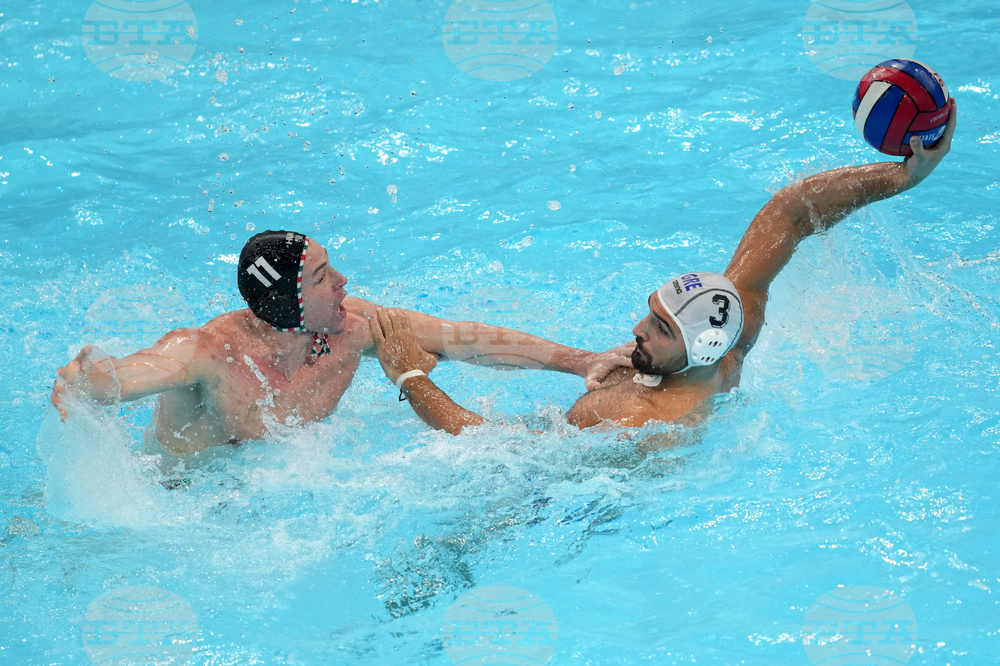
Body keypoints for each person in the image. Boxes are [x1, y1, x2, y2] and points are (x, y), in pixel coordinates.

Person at [367, 100, 959, 435]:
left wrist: (408, 379)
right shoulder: (734, 330)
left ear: (700, 349)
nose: (638, 331)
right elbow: (792, 212)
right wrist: (903, 176)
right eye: (652, 313)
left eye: (660, 330)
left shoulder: (636, 415)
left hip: (573, 504)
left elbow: (492, 448)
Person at [50, 231, 623, 454]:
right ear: (287, 306)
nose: (344, 283)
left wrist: (582, 362)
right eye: (324, 277)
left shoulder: (348, 326)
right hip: (182, 505)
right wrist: (87, 376)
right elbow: (132, 374)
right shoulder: (209, 352)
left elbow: (462, 339)